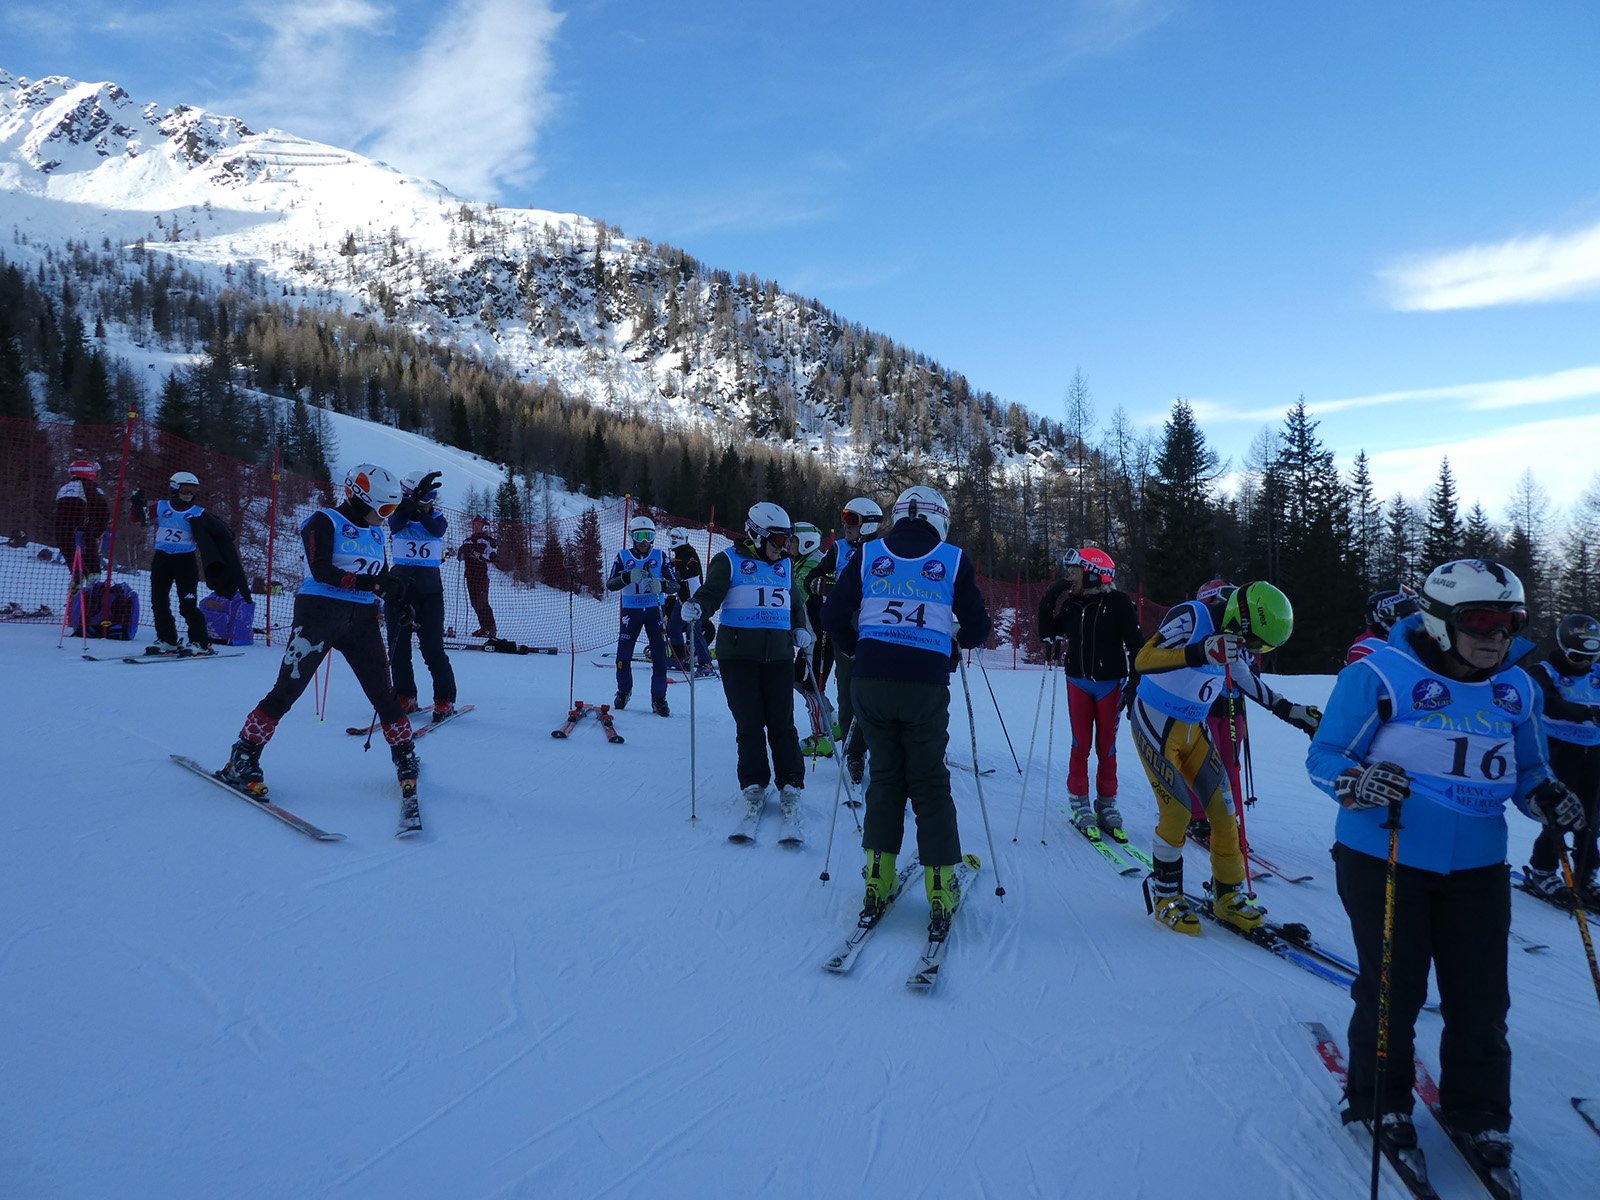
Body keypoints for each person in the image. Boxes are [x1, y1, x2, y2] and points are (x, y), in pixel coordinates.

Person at [1306, 558, 1580, 1176]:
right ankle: (1380, 1101)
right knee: (1393, 989)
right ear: (1437, 619)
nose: (1496, 635)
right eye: (1479, 620)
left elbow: (1529, 770)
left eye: (1510, 621)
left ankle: (1478, 1111)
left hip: (1478, 864)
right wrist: (1359, 780)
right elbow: (1324, 755)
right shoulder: (1378, 673)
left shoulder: (1519, 688)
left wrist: (1546, 797)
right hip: (1386, 853)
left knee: (1481, 997)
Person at [822, 485, 992, 928]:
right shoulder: (953, 559)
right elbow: (977, 628)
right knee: (929, 780)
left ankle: (878, 878)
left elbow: (834, 614)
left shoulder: (868, 553)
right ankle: (940, 884)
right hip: (923, 685)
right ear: (940, 519)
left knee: (885, 775)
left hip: (871, 682)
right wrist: (952, 640)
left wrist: (855, 647)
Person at [220, 465, 419, 796]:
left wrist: (394, 595)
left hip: (362, 619)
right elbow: (322, 570)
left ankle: (404, 755)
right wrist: (374, 582)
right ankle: (243, 756)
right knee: (287, 690)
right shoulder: (324, 522)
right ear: (358, 498)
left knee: (383, 693)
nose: (386, 516)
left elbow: (380, 575)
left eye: (391, 510)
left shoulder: (375, 532)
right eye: (383, 509)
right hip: (319, 614)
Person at [1130, 580, 1308, 935]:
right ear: (1244, 619)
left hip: (1195, 729)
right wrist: (1199, 652)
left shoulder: (1236, 634)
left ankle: (1227, 896)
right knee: (1178, 811)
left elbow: (1241, 675)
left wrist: (1289, 710)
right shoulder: (1193, 616)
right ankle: (1165, 895)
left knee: (1227, 814)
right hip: (1155, 722)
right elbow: (1143, 659)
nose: (1251, 650)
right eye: (1253, 642)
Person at [682, 501, 811, 822]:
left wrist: (800, 628)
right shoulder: (728, 560)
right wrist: (698, 607)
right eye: (779, 541)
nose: (784, 549)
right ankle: (754, 781)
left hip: (780, 654)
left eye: (788, 541)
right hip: (737, 656)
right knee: (750, 723)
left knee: (782, 722)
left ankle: (791, 781)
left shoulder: (784, 566)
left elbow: (794, 603)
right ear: (756, 534)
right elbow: (711, 593)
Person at [1036, 547, 1145, 834]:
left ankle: (1107, 803)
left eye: (1075, 572)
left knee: (1106, 747)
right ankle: (1079, 801)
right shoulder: (1072, 604)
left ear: (1094, 575)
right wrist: (1049, 599)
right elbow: (1048, 633)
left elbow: (1137, 647)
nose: (1069, 577)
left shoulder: (1119, 603)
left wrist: (1136, 680)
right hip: (1078, 682)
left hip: (1110, 685)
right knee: (1080, 744)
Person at [1521, 612, 1600, 903]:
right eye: (1578, 656)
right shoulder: (1544, 671)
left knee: (1592, 817)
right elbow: (1550, 704)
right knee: (1562, 812)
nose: (1586, 664)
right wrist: (1588, 714)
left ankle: (1585, 874)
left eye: (1592, 656)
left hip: (1593, 752)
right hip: (1559, 749)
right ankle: (1543, 869)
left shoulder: (1596, 672)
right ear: (1564, 649)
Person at [807, 497, 884, 785]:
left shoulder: (883, 551)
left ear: (869, 524)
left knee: (879, 691)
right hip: (846, 626)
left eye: (852, 520)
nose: (845, 525)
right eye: (844, 518)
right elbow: (813, 579)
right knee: (848, 689)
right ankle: (854, 752)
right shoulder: (838, 549)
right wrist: (819, 585)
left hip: (877, 626)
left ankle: (885, 748)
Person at [387, 470, 457, 718]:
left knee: (432, 648)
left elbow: (436, 530)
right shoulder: (399, 515)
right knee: (398, 646)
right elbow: (394, 525)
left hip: (429, 590)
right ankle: (405, 694)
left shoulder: (437, 517)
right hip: (400, 587)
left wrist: (419, 511)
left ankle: (444, 698)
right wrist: (409, 509)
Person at [127, 470, 213, 654]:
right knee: (158, 602)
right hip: (162, 560)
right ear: (174, 488)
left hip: (185, 562)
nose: (189, 494)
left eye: (193, 490)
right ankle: (167, 639)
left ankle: (201, 642)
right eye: (185, 489)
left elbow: (215, 535)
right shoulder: (161, 506)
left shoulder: (198, 512)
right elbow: (136, 518)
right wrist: (136, 504)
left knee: (187, 604)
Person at [605, 515, 677, 715]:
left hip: (655, 610)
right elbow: (610, 584)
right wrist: (627, 577)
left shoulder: (660, 556)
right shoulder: (623, 557)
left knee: (660, 657)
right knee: (623, 655)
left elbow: (676, 584)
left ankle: (659, 698)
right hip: (631, 612)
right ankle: (623, 691)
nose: (644, 541)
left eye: (648, 536)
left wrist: (662, 585)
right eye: (640, 536)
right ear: (632, 537)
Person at [790, 520, 836, 757]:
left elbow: (797, 595)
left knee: (810, 685)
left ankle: (822, 737)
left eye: (793, 541)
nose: (789, 545)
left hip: (819, 639)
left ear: (807, 543)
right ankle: (832, 722)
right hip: (809, 638)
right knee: (800, 681)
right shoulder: (801, 562)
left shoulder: (814, 563)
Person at [55, 455, 110, 609]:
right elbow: (103, 513)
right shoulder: (91, 488)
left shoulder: (64, 488)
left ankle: (74, 605)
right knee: (93, 571)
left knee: (76, 570)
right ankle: (93, 604)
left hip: (63, 536)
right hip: (83, 534)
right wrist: (97, 533)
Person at [665, 531, 716, 676]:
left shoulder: (689, 552)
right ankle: (679, 658)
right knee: (673, 627)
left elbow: (694, 571)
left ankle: (706, 664)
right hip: (682, 599)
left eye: (675, 537)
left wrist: (678, 576)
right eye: (672, 537)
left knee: (694, 631)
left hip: (693, 599)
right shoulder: (679, 553)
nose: (673, 540)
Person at [1347, 585, 1419, 665]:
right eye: (1407, 617)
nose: (1413, 623)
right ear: (1388, 619)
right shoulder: (1365, 651)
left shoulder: (1405, 643)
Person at [458, 515, 499, 638]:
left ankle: (490, 629)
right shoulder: (468, 540)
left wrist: (476, 554)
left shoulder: (489, 541)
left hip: (482, 576)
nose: (475, 525)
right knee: (474, 603)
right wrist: (462, 551)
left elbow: (492, 557)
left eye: (478, 523)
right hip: (470, 575)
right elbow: (460, 558)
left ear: (484, 526)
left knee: (482, 602)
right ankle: (483, 627)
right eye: (474, 523)